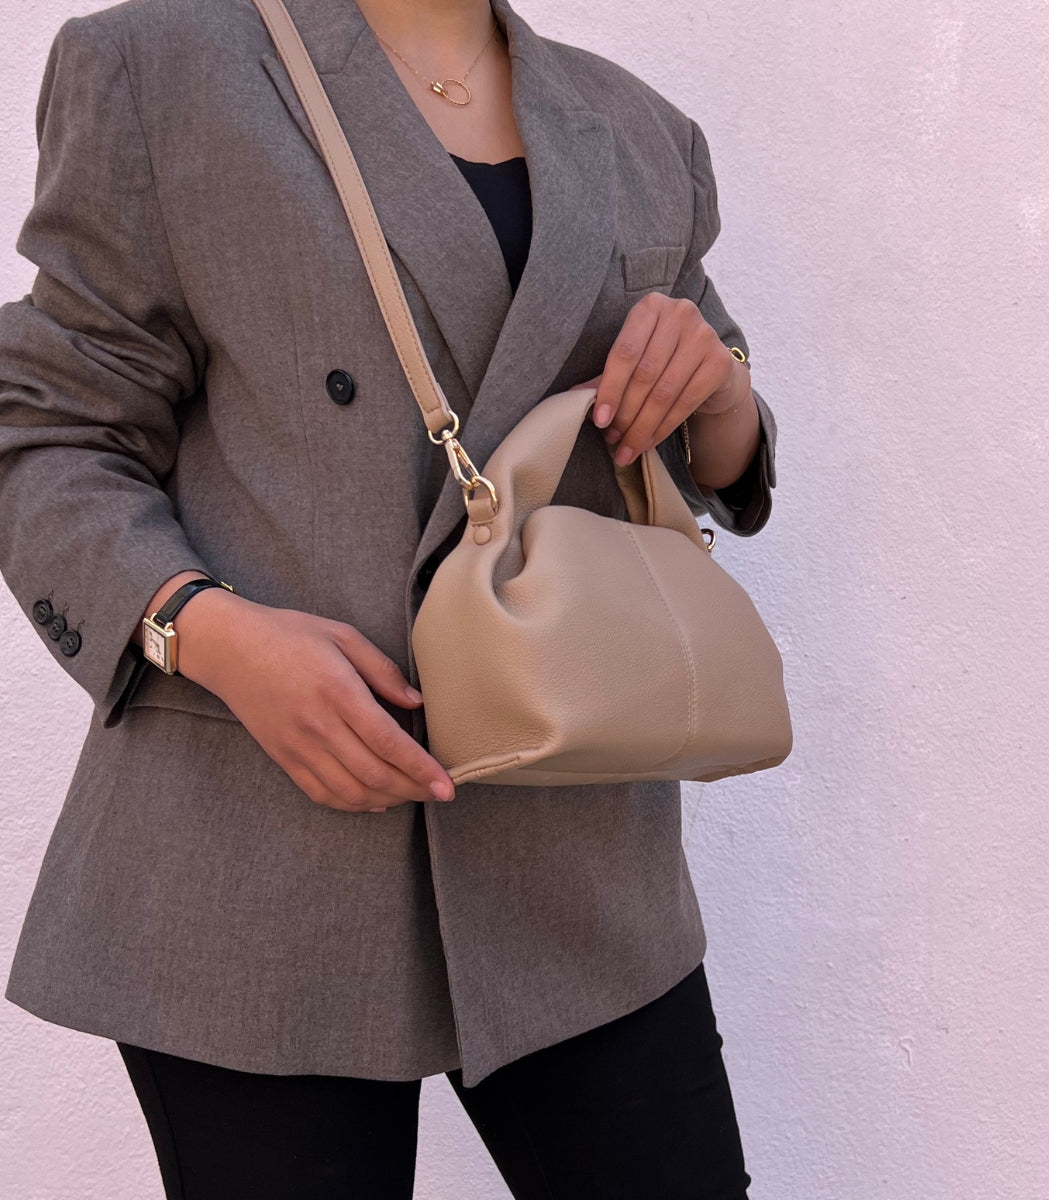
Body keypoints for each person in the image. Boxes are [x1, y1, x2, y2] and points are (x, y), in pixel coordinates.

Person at [0, 0, 780, 1194]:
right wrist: (210, 632)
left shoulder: (638, 131)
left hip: (576, 848)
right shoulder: (163, 70)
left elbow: (703, 448)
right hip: (261, 848)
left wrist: (717, 393)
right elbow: (49, 428)